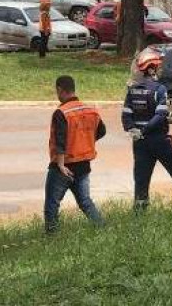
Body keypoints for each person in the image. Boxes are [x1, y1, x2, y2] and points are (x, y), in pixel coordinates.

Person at [122, 51, 172, 209]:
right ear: (150, 69)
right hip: (159, 140)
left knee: (141, 178)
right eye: (157, 67)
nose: (160, 70)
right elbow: (161, 115)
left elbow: (126, 114)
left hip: (140, 143)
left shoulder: (132, 90)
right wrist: (146, 129)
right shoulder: (159, 89)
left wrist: (132, 129)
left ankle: (140, 212)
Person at [44, 75, 106, 234]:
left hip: (64, 167)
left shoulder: (61, 112)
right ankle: (103, 228)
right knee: (85, 202)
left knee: (52, 204)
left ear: (60, 89)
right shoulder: (90, 110)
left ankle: (51, 237)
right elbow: (101, 131)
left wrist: (60, 164)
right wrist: (84, 142)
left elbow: (60, 140)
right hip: (83, 165)